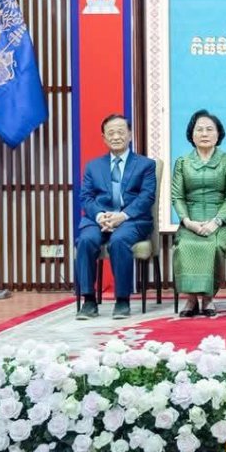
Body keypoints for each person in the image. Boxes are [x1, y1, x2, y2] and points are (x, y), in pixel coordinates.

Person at [75, 114, 157, 320]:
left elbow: (147, 197)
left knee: (119, 241)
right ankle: (88, 300)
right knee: (86, 240)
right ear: (104, 138)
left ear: (130, 135)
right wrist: (100, 215)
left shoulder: (146, 165)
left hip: (132, 219)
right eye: (111, 133)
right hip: (99, 219)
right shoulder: (93, 166)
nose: (116, 137)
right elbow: (86, 197)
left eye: (121, 132)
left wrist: (123, 216)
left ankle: (122, 300)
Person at [171, 109, 226, 318]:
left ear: (218, 134)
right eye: (199, 129)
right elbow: (177, 196)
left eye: (209, 129)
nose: (204, 134)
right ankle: (191, 299)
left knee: (213, 245)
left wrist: (215, 222)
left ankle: (208, 298)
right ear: (191, 135)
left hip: (221, 221)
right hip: (190, 220)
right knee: (184, 245)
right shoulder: (182, 162)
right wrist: (187, 222)